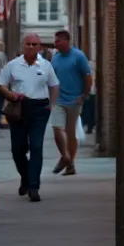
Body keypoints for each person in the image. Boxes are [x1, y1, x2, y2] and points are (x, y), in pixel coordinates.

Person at [0, 33, 59, 202]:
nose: (31, 47)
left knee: (37, 146)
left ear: (40, 47)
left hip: (40, 108)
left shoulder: (46, 65)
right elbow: (0, 85)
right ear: (22, 46)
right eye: (28, 44)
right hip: (19, 108)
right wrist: (10, 94)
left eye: (34, 44)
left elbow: (54, 85)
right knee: (18, 149)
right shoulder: (12, 65)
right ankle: (25, 177)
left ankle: (33, 187)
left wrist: (51, 105)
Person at [50, 29, 93, 176]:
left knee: (70, 132)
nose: (55, 43)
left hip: (74, 100)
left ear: (66, 41)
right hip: (58, 100)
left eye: (58, 41)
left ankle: (70, 164)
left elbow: (88, 77)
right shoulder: (54, 58)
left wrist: (82, 96)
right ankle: (65, 156)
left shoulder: (78, 56)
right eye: (55, 41)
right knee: (57, 128)